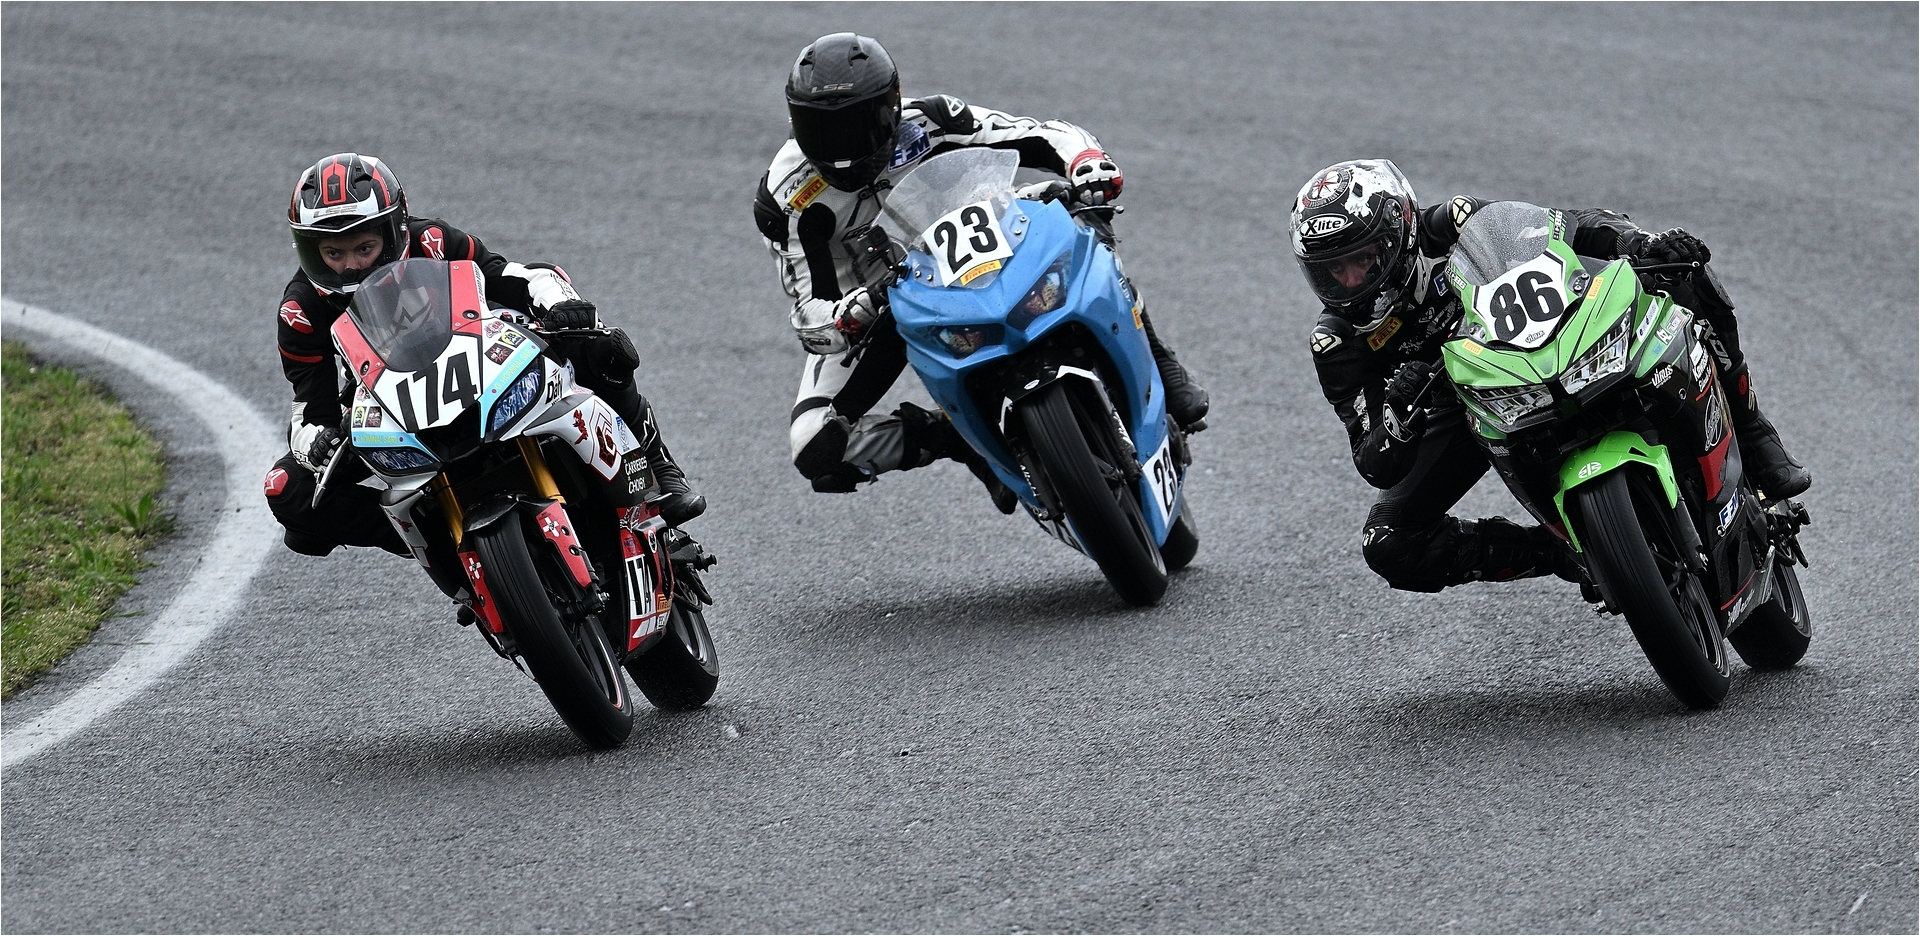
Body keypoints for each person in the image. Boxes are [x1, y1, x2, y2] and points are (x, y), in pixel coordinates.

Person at [1291, 158, 1810, 593]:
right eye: (1333, 271)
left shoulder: (1451, 223)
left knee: (1681, 266)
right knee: (1388, 542)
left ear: (1398, 234)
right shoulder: (1336, 342)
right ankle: (1564, 553)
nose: (1351, 281)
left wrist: (1636, 243)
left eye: (1362, 259)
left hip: (1545, 339)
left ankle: (1752, 429)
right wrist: (1399, 417)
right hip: (1467, 407)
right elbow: (1374, 461)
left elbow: (1563, 226)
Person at [752, 33, 1209, 509]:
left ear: (891, 108)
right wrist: (848, 315)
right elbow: (809, 311)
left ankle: (1156, 354)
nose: (841, 149)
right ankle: (953, 438)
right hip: (877, 305)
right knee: (815, 444)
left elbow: (1040, 133)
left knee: (1074, 210)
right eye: (821, 130)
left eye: (855, 126)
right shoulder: (786, 197)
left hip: (978, 242)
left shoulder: (931, 120)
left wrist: (1086, 162)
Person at [265, 153, 703, 559]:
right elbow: (309, 409)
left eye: (364, 248)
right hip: (387, 395)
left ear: (393, 231)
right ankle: (447, 547)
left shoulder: (432, 240)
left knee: (600, 345)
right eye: (333, 253)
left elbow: (509, 275)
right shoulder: (300, 309)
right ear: (310, 250)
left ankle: (657, 465)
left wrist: (561, 302)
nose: (351, 266)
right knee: (289, 491)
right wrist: (317, 441)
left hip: (478, 354)